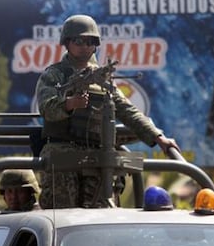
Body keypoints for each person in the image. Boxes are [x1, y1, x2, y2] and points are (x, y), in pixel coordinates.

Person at [35, 14, 180, 209]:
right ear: (67, 43)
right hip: (62, 155)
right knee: (62, 215)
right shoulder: (54, 75)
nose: (85, 46)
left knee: (102, 215)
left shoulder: (102, 79)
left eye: (91, 41)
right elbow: (46, 108)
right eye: (79, 41)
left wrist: (158, 137)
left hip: (98, 157)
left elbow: (127, 110)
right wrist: (69, 104)